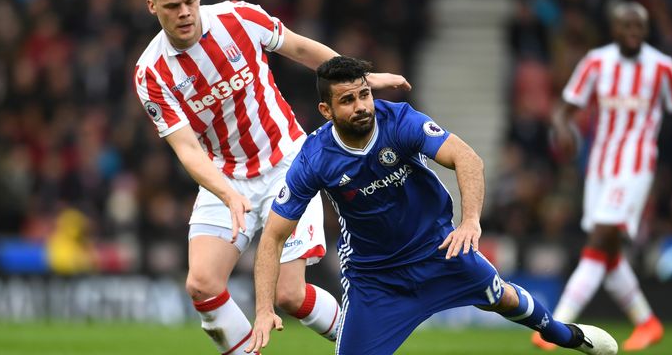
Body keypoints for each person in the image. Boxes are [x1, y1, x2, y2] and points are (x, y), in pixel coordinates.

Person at [246, 56, 618, 355]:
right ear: (326, 111)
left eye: (364, 95)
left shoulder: (399, 121)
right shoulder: (314, 158)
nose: (361, 106)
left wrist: (470, 221)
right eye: (348, 100)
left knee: (499, 297)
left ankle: (564, 335)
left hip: (439, 250)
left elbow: (466, 158)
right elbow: (273, 237)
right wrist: (264, 310)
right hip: (376, 279)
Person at [134, 0, 410, 355]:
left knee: (289, 295)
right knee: (202, 284)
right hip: (224, 177)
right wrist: (227, 194)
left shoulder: (238, 19)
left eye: (190, 2)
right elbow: (187, 149)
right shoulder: (152, 72)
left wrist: (361, 79)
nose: (185, 13)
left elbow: (299, 47)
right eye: (172, 6)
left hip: (288, 166)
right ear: (151, 7)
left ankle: (368, 343)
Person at [533, 2, 672, 351]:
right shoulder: (596, 62)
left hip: (635, 166)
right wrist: (562, 128)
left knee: (600, 238)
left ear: (646, 31)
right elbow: (565, 108)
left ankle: (555, 326)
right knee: (609, 251)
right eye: (626, 27)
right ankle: (647, 322)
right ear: (614, 29)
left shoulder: (662, 67)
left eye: (639, 27)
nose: (633, 33)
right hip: (600, 167)